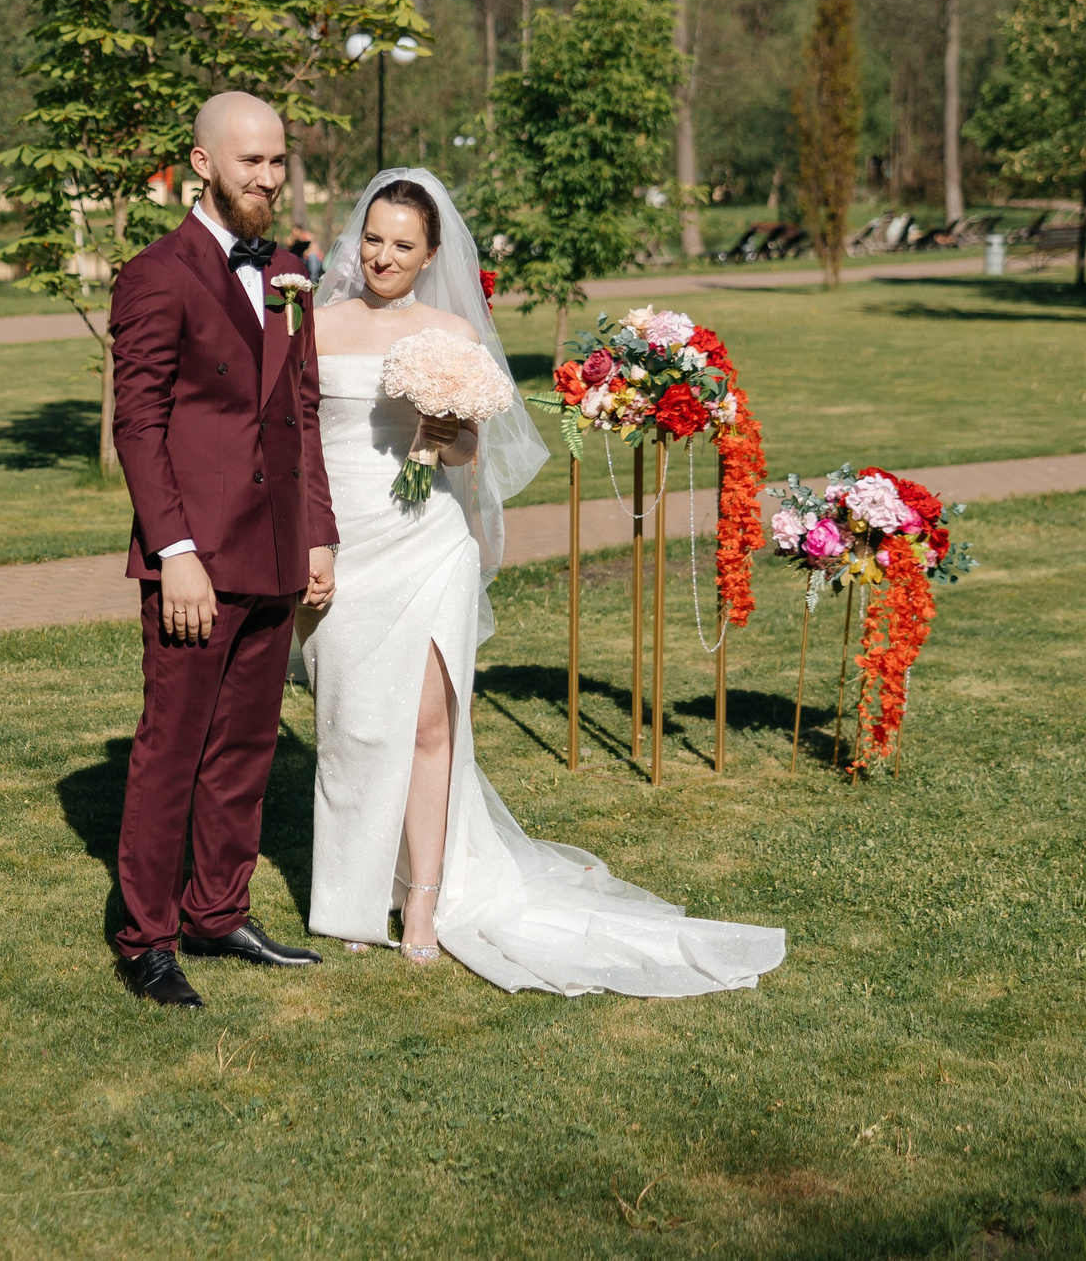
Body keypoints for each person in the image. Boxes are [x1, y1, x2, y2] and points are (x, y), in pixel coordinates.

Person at [303, 168, 786, 994]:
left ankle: (421, 903)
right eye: (374, 240)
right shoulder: (313, 327)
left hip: (427, 542)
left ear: (430, 256)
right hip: (345, 542)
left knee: (425, 723)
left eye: (403, 246)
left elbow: (465, 459)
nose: (384, 256)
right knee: (351, 724)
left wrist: (446, 427)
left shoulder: (449, 330)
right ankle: (349, 897)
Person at [106, 91, 336, 1010]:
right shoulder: (156, 275)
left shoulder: (289, 269)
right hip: (196, 559)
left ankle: (218, 911)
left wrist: (318, 532)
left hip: (278, 549)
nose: (270, 178)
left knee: (246, 746)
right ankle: (147, 937)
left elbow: (303, 412)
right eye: (252, 163)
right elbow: (138, 424)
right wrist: (176, 552)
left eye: (279, 161)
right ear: (202, 164)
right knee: (173, 748)